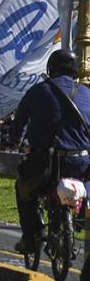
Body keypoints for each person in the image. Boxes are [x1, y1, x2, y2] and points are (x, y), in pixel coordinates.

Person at [9, 49, 90, 253]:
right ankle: (79, 220)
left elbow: (18, 123)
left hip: (46, 164)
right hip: (81, 163)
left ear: (50, 69)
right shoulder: (87, 93)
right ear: (74, 71)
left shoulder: (38, 91)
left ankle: (31, 237)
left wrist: (14, 140)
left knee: (23, 188)